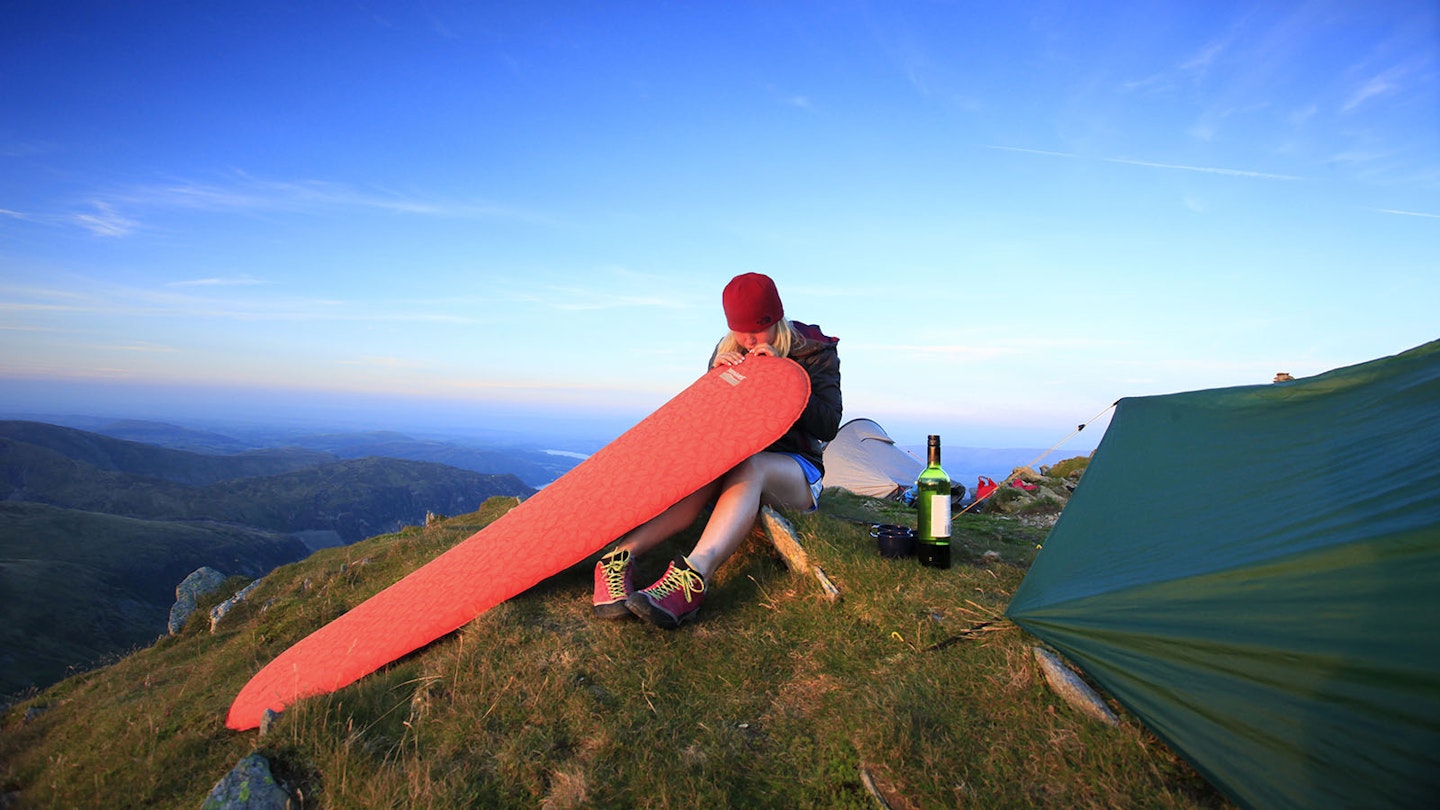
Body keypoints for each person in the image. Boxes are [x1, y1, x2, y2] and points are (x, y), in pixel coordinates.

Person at [592, 272, 842, 628]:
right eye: (741, 331)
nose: (749, 339)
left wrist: (781, 377)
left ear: (776, 318)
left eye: (759, 329)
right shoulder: (729, 348)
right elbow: (710, 421)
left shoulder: (814, 350)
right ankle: (616, 559)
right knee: (709, 469)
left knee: (751, 466)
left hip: (794, 468)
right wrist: (713, 378)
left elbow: (828, 425)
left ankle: (692, 577)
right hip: (736, 457)